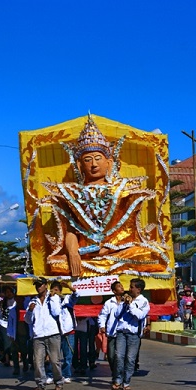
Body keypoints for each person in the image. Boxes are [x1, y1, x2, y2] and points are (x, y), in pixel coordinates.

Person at [40, 115, 169, 277]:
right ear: (79, 165)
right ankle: (93, 263)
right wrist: (73, 253)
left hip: (118, 251)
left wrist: (110, 248)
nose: (93, 164)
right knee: (57, 263)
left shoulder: (123, 190)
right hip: (84, 254)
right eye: (88, 160)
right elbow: (70, 231)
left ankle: (103, 263)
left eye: (98, 158)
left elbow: (130, 232)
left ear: (109, 162)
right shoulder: (69, 193)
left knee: (153, 256)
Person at [24, 277, 64, 390]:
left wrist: (52, 299)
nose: (38, 287)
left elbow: (57, 312)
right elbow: (28, 320)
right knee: (37, 361)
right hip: (38, 335)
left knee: (55, 360)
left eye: (40, 285)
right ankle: (40, 384)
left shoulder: (53, 297)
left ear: (46, 285)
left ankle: (58, 381)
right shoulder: (33, 301)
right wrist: (30, 311)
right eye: (36, 285)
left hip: (52, 333)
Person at [111, 278, 150, 390]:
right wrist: (123, 304)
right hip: (121, 332)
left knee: (130, 359)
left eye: (132, 287)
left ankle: (126, 381)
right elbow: (117, 314)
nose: (129, 289)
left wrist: (131, 304)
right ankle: (117, 380)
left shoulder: (143, 302)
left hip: (134, 334)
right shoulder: (125, 300)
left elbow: (139, 315)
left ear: (138, 289)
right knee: (119, 356)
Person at [50, 280, 78, 383]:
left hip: (68, 331)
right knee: (53, 357)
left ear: (61, 291)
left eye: (57, 290)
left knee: (68, 356)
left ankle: (66, 374)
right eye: (53, 290)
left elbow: (76, 295)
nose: (55, 292)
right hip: (54, 332)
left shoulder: (66, 300)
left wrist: (69, 286)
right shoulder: (49, 301)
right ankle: (50, 375)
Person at [98, 280, 124, 384]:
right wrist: (102, 326)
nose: (121, 287)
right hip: (112, 333)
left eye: (121, 285)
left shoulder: (127, 301)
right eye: (118, 286)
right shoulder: (109, 303)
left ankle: (119, 377)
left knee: (120, 356)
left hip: (123, 333)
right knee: (112, 355)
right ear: (114, 291)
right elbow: (102, 315)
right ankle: (115, 374)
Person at [0, 286, 16, 366]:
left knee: (15, 342)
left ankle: (16, 358)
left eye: (10, 292)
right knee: (6, 342)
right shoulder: (2, 302)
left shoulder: (16, 301)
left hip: (14, 324)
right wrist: (0, 306)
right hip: (4, 324)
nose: (8, 294)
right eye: (6, 292)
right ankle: (7, 359)